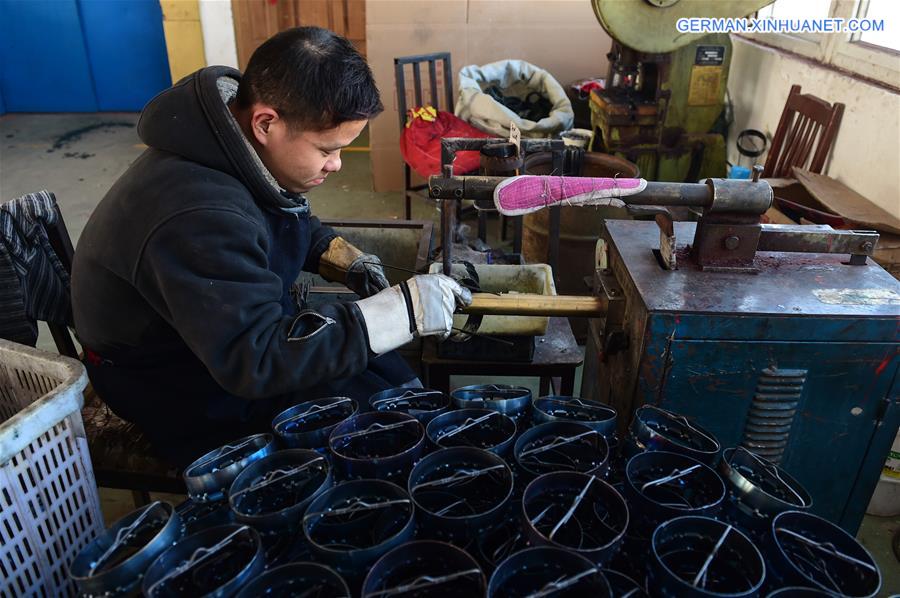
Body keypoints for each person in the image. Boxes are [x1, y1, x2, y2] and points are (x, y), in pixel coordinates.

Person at [71, 27, 470, 467]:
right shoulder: (199, 215)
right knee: (375, 425)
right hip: (172, 382)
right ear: (265, 123)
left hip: (211, 338)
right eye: (327, 149)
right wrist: (401, 313)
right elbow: (254, 361)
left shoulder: (226, 142)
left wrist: (340, 256)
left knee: (384, 370)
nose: (337, 165)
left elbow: (280, 211)